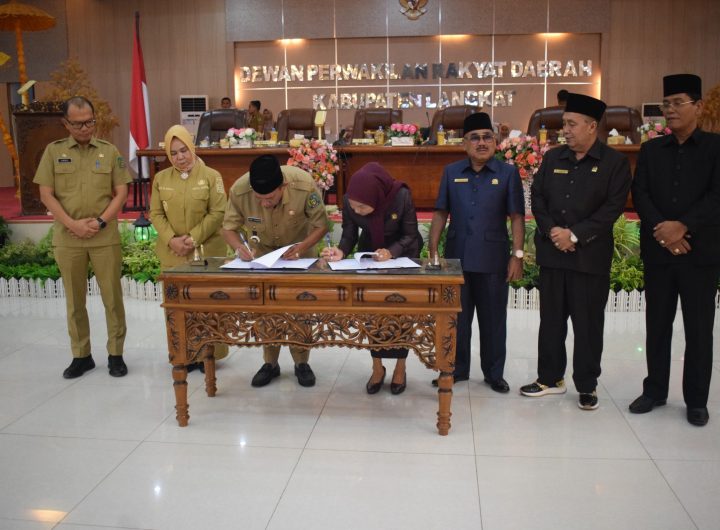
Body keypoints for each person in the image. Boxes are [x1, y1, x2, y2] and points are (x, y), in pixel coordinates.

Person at [520, 93, 632, 410]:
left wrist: (575, 235)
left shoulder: (614, 163)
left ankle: (587, 384)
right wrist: (553, 231)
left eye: (571, 124)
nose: (564, 130)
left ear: (591, 126)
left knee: (588, 325)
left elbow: (612, 208)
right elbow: (538, 198)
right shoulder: (553, 158)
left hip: (589, 258)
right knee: (551, 321)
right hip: (553, 254)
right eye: (564, 124)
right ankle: (550, 378)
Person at [629, 74, 720, 427]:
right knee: (657, 325)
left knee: (699, 329)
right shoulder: (652, 150)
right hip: (659, 253)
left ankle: (696, 400)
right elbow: (641, 193)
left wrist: (683, 226)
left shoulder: (715, 147)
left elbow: (716, 196)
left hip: (700, 254)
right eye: (666, 104)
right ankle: (654, 390)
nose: (670, 110)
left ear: (698, 106)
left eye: (678, 103)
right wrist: (665, 233)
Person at [33, 96, 132, 379]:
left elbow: (121, 192)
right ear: (65, 123)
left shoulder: (109, 151)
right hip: (68, 238)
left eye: (89, 122)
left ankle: (116, 355)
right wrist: (72, 224)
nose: (85, 128)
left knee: (112, 299)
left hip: (104, 236)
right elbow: (46, 194)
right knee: (74, 301)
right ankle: (81, 355)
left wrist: (100, 222)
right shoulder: (53, 152)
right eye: (78, 124)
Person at [427, 112, 525, 393]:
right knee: (456, 320)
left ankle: (494, 374)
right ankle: (456, 369)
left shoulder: (507, 173)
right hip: (456, 259)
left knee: (493, 321)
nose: (481, 143)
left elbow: (517, 217)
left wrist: (517, 256)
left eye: (486, 137)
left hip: (493, 260)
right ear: (464, 144)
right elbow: (440, 213)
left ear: (495, 141)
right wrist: (433, 250)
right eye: (474, 138)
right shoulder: (452, 172)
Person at [222, 154, 328, 387]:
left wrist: (302, 247)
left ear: (284, 186)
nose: (264, 204)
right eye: (259, 198)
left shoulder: (303, 184)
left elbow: (321, 225)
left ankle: (301, 363)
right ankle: (270, 363)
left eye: (269, 198)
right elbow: (228, 228)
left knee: (300, 310)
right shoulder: (240, 190)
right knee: (266, 311)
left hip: (298, 254)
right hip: (262, 257)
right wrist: (239, 247)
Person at [322, 162, 423, 395]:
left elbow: (410, 235)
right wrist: (341, 251)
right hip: (370, 254)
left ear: (376, 198)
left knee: (401, 315)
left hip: (402, 253)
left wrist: (391, 252)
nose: (356, 211)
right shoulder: (350, 200)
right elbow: (349, 233)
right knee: (373, 314)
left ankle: (400, 368)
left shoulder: (401, 196)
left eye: (361, 207)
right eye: (353, 206)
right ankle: (377, 367)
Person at [149, 125, 229, 372]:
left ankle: (209, 354)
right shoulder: (161, 179)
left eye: (184, 150)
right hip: (173, 253)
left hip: (207, 252)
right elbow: (155, 213)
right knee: (178, 308)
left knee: (208, 305)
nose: (180, 157)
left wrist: (193, 238)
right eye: (173, 153)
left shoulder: (212, 176)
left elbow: (218, 212)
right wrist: (171, 239)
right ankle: (183, 353)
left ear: (192, 147)